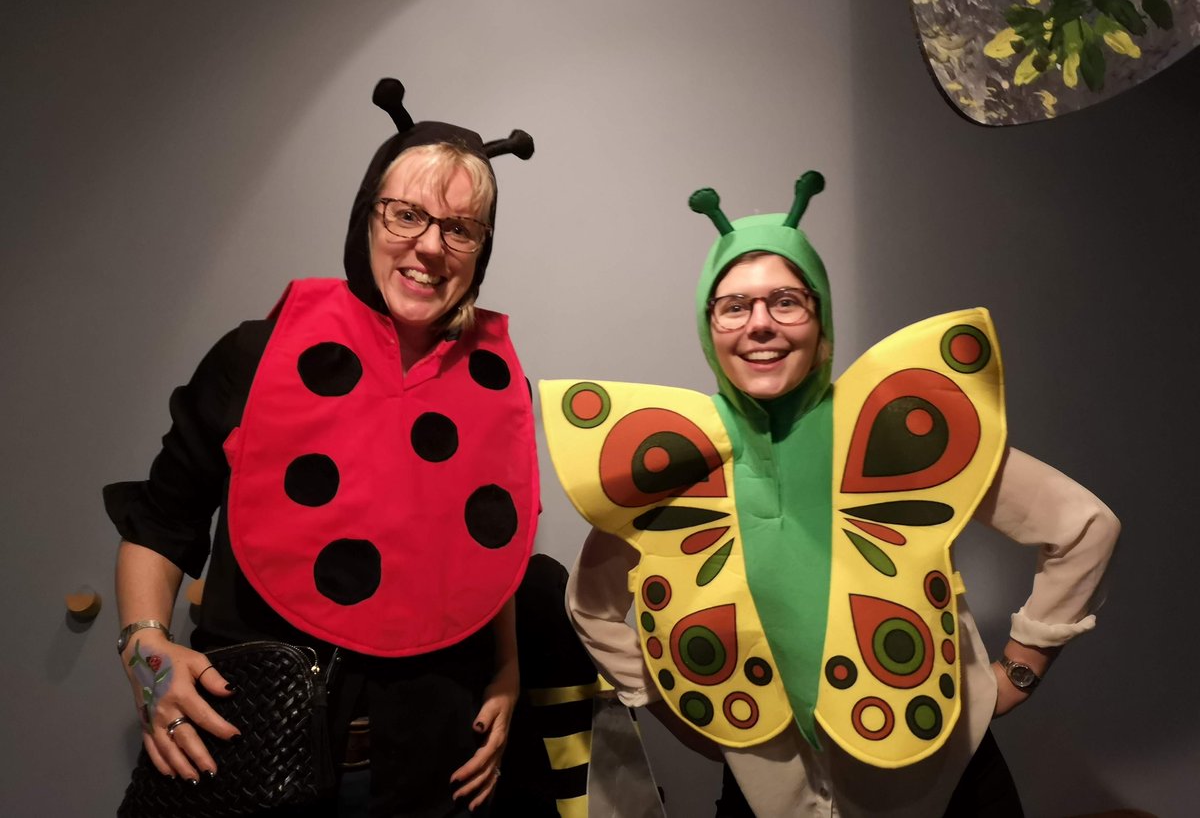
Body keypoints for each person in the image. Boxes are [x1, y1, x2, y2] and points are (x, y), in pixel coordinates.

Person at [540, 172, 1120, 817]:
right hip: (769, 793)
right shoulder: (680, 460)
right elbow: (591, 606)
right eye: (734, 306)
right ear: (710, 328)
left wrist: (1020, 666)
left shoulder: (894, 434)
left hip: (942, 777)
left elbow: (1082, 525)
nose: (760, 324)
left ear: (821, 321)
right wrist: (668, 702)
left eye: (786, 301)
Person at [106, 78, 538, 817]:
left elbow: (486, 542)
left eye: (460, 230)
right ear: (367, 216)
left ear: (482, 250)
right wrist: (145, 652)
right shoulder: (255, 355)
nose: (430, 247)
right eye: (406, 214)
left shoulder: (501, 382)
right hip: (250, 753)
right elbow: (162, 521)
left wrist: (507, 670)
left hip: (431, 771)